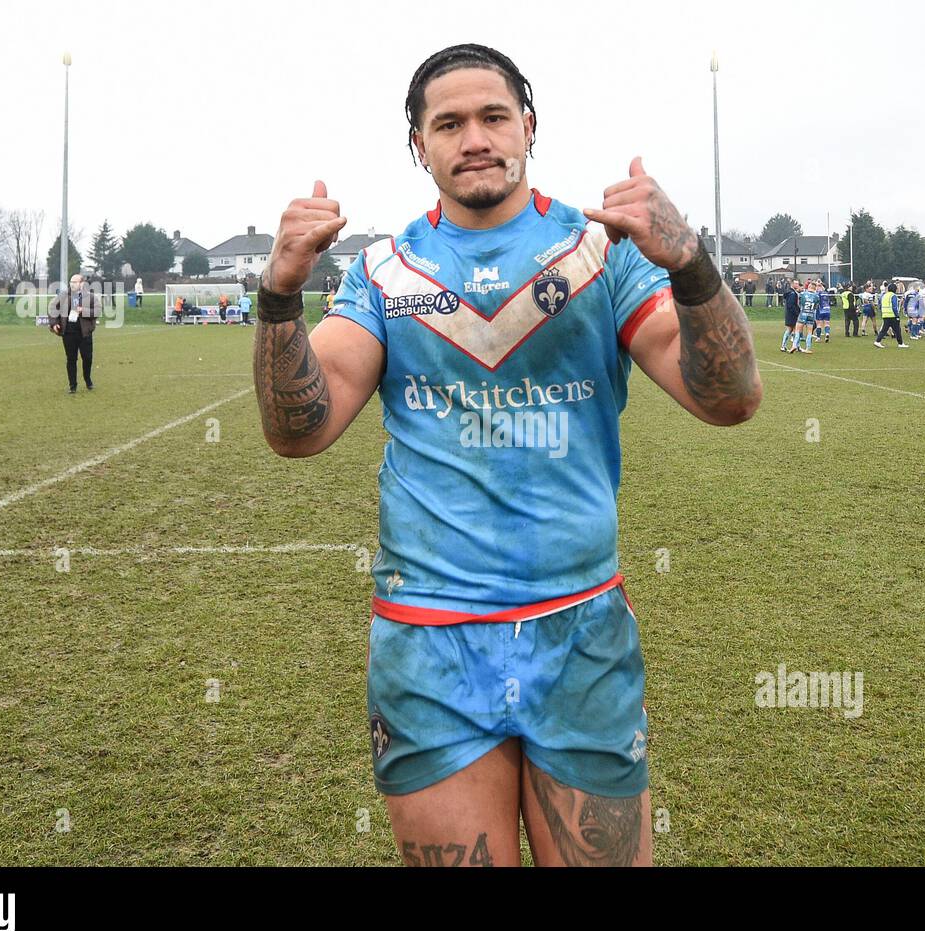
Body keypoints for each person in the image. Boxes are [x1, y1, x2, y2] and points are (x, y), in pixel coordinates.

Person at [251, 42, 761, 868]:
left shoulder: (601, 252)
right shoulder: (385, 271)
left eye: (493, 116)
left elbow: (729, 399)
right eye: (447, 123)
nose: (474, 137)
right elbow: (299, 430)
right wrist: (278, 296)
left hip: (580, 629)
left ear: (529, 126)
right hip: (431, 640)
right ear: (419, 146)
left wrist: (692, 264)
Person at [48, 273, 100, 393]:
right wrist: (54, 323)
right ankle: (73, 386)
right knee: (71, 359)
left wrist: (83, 311)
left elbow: (97, 311)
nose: (72, 284)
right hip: (68, 333)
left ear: (82, 283)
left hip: (84, 334)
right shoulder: (63, 296)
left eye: (75, 282)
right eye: (71, 282)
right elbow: (52, 309)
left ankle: (87, 379)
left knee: (87, 358)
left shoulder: (91, 297)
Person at [873, 280, 907, 348]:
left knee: (884, 329)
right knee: (897, 330)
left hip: (885, 315)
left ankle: (877, 341)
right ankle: (900, 344)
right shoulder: (893, 295)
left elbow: (880, 304)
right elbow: (894, 306)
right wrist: (897, 315)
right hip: (892, 315)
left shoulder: (884, 295)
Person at [780, 278, 800, 351]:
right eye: (796, 283)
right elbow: (791, 305)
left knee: (790, 330)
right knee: (795, 330)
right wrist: (797, 313)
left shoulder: (791, 292)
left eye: (798, 283)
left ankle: (784, 346)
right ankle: (796, 346)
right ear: (792, 284)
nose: (797, 285)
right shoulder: (792, 293)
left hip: (789, 313)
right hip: (792, 314)